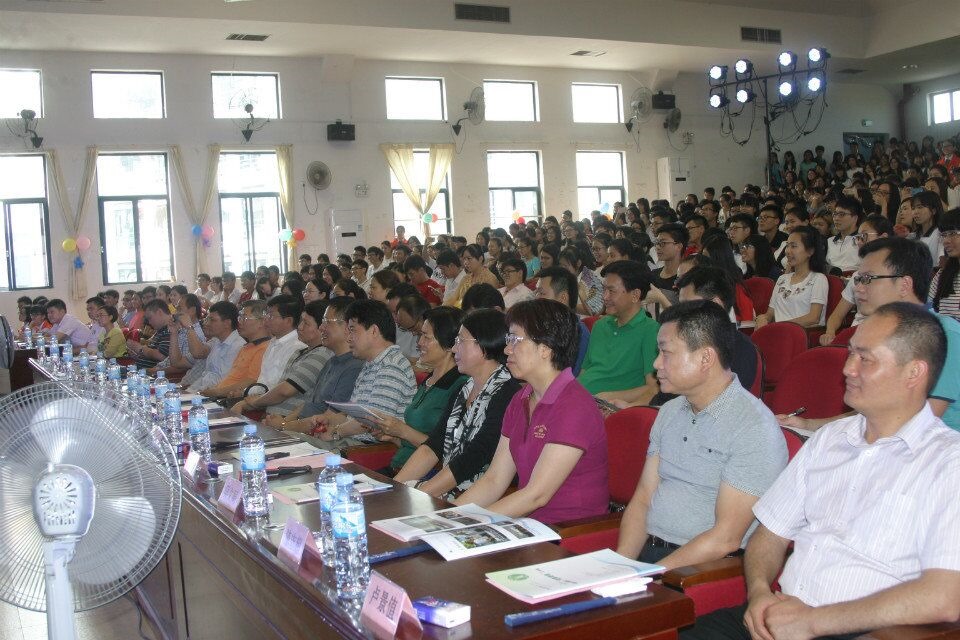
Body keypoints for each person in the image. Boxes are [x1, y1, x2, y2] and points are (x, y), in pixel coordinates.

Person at [683, 303, 960, 640]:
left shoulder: (947, 463)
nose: (847, 369)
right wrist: (759, 594)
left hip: (860, 631)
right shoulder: (830, 439)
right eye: (850, 353)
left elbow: (945, 596)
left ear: (914, 373)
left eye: (865, 359)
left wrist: (814, 622)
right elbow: (770, 534)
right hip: (781, 613)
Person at [616, 300, 786, 567]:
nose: (656, 363)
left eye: (666, 353)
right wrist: (622, 567)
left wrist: (651, 574)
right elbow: (643, 498)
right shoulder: (670, 412)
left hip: (701, 570)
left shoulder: (753, 427)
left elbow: (726, 538)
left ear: (706, 358)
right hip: (650, 555)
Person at [779, 237, 960, 432]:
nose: (858, 288)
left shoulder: (944, 335)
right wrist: (808, 425)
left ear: (904, 285)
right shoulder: (880, 334)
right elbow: (874, 413)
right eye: (858, 279)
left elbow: (916, 423)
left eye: (867, 279)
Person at [453, 300, 609, 523]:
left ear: (545, 348)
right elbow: (494, 480)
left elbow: (537, 495)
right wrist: (447, 518)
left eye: (514, 340)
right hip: (527, 525)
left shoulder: (575, 406)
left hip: (568, 531)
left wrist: (468, 524)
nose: (507, 349)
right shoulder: (520, 399)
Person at [393, 309, 521, 498]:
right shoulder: (463, 389)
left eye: (461, 341)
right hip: (450, 488)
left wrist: (419, 495)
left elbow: (473, 458)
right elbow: (432, 447)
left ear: (484, 344)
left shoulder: (507, 394)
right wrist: (394, 488)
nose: (454, 349)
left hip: (481, 495)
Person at [372, 306, 468, 473]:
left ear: (449, 344)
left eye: (426, 337)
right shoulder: (428, 380)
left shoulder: (460, 386)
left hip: (425, 474)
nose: (419, 343)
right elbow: (413, 440)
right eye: (420, 335)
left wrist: (403, 431)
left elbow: (446, 449)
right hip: (400, 466)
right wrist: (394, 436)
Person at [309, 299, 416, 446]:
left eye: (352, 330)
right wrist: (330, 420)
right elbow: (356, 417)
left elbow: (375, 421)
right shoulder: (372, 363)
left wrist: (335, 432)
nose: (348, 338)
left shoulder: (391, 367)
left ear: (373, 331)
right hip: (353, 443)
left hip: (369, 450)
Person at [271, 298, 365, 430]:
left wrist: (283, 426)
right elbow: (309, 404)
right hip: (302, 428)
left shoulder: (354, 367)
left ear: (347, 326)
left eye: (326, 322)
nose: (321, 327)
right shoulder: (332, 361)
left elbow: (328, 419)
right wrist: (284, 423)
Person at [231, 300, 333, 421]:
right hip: (271, 415)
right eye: (301, 322)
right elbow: (279, 387)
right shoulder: (300, 352)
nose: (300, 327)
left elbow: (284, 391)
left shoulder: (321, 354)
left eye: (306, 323)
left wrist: (253, 403)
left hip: (286, 420)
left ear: (321, 328)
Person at [578, 260, 659, 397]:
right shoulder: (600, 325)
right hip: (580, 398)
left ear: (635, 295)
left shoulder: (651, 331)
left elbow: (652, 388)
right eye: (604, 290)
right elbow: (584, 372)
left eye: (611, 291)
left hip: (609, 405)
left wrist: (608, 397)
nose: (605, 297)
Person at [754, 226, 828, 329]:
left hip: (800, 334)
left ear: (810, 251)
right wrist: (764, 318)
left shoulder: (818, 279)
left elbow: (813, 318)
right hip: (778, 331)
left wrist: (780, 326)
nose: (788, 251)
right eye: (787, 246)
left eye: (793, 246)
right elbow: (770, 314)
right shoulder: (782, 279)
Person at [199, 300, 272, 399]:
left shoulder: (264, 348)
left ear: (262, 322)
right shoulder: (247, 347)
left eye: (244, 318)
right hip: (218, 395)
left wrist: (216, 392)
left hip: (228, 399)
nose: (239, 322)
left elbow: (252, 381)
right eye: (239, 318)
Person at [182, 301, 246, 393]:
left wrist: (195, 393)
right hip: (202, 392)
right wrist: (189, 391)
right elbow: (206, 376)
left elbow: (222, 382)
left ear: (227, 323)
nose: (207, 324)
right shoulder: (216, 341)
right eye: (208, 319)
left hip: (215, 396)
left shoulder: (238, 346)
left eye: (212, 320)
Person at [254, 295, 306, 392]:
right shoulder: (273, 342)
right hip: (258, 397)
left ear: (288, 321)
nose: (266, 319)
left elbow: (280, 389)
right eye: (266, 314)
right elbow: (263, 380)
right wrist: (245, 392)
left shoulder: (297, 348)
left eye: (271, 316)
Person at [929, 209, 960, 321]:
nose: (945, 241)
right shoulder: (942, 274)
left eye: (952, 233)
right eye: (943, 235)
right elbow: (929, 307)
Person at [126, 300, 172, 371]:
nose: (149, 322)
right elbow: (151, 354)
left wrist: (141, 349)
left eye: (150, 318)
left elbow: (162, 357)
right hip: (142, 371)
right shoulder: (160, 330)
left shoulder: (170, 330)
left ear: (159, 312)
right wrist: (138, 355)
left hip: (152, 374)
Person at [826, 195, 863, 274]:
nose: (836, 218)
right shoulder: (829, 241)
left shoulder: (863, 241)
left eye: (842, 214)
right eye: (835, 214)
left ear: (855, 218)